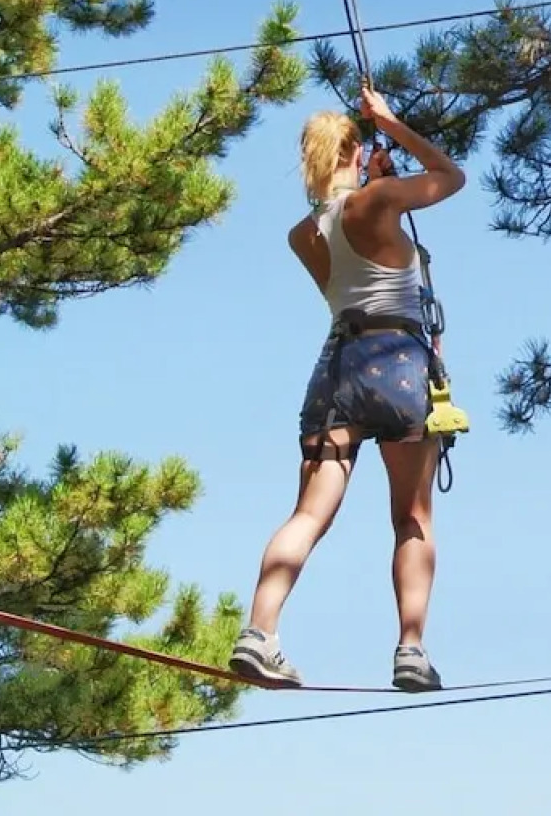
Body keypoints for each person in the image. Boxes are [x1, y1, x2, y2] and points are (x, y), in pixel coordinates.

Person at [228, 84, 467, 690]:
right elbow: (451, 175)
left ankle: (260, 633)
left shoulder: (303, 234)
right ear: (355, 153)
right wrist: (392, 121)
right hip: (400, 364)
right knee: (412, 517)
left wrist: (379, 186)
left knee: (309, 511)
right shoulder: (380, 200)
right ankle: (411, 648)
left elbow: (355, 241)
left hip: (338, 369)